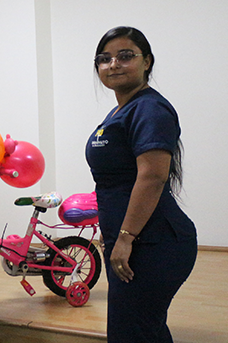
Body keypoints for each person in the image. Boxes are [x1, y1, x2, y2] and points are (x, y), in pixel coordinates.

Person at [85, 26, 197, 342]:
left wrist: (125, 237)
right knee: (137, 332)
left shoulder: (150, 108)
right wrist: (114, 236)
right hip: (132, 241)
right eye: (104, 59)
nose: (113, 65)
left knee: (134, 333)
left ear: (146, 61)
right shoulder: (121, 110)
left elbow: (152, 177)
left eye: (125, 56)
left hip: (155, 243)